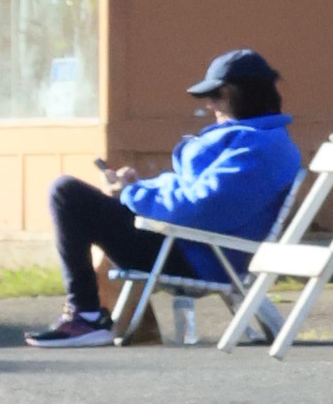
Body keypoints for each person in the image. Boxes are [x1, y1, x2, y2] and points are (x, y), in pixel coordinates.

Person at [27, 50, 303, 350]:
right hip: (185, 244)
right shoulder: (255, 139)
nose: (209, 104)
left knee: (66, 194)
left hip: (192, 254)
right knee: (72, 196)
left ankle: (86, 316)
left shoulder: (261, 148)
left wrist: (131, 195)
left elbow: (202, 205)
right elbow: (191, 188)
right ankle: (87, 315)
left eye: (215, 95)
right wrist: (137, 187)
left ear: (240, 94)